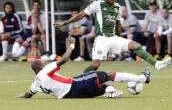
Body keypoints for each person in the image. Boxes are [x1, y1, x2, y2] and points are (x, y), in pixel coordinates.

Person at [54, 0, 171, 71]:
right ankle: (78, 80)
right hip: (101, 39)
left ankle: (156, 64)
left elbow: (118, 25)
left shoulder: (117, 7)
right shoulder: (98, 4)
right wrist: (64, 23)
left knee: (137, 46)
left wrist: (119, 37)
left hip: (113, 38)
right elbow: (81, 14)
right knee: (95, 65)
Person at [17, 36, 150, 99]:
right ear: (40, 66)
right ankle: (143, 78)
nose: (45, 64)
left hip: (72, 96)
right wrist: (72, 45)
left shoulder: (35, 83)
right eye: (42, 63)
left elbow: (28, 95)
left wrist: (21, 96)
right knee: (107, 74)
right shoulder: (44, 71)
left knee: (106, 85)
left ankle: (109, 91)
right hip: (75, 85)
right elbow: (63, 60)